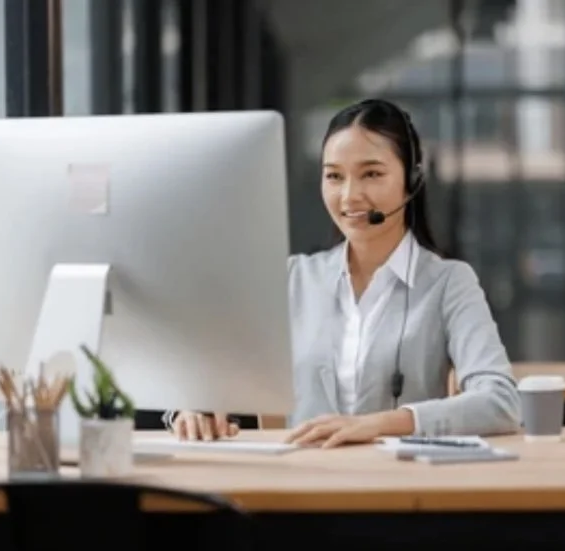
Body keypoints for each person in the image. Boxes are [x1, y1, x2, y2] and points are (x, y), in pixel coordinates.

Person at [165, 98, 520, 448]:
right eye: (334, 176)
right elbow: (206, 368)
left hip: (404, 488)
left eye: (372, 174)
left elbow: (501, 402)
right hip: (303, 488)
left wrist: (378, 425)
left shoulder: (449, 283)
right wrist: (193, 408)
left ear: (411, 181)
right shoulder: (292, 280)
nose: (350, 196)